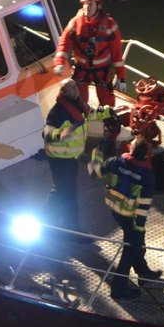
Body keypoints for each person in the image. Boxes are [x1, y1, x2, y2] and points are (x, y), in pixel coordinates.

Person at [89, 136, 162, 300]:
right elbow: (142, 208)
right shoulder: (147, 177)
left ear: (131, 149)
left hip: (115, 210)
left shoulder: (115, 162)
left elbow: (95, 173)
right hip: (130, 216)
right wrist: (139, 228)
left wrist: (96, 153)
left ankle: (143, 272)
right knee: (131, 249)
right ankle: (119, 288)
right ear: (146, 155)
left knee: (136, 243)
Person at [42, 78, 113, 236]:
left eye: (75, 86)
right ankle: (69, 228)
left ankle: (53, 223)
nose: (76, 89)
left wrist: (111, 110)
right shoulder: (58, 111)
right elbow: (47, 132)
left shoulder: (79, 104)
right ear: (63, 92)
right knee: (65, 192)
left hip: (70, 156)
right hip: (60, 159)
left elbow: (92, 115)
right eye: (71, 87)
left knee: (64, 191)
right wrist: (60, 134)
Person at [53, 0, 127, 107]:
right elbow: (64, 43)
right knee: (79, 99)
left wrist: (121, 77)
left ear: (99, 5)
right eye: (84, 4)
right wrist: (59, 63)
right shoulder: (75, 23)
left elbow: (117, 54)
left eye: (90, 4)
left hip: (102, 71)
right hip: (82, 69)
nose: (86, 7)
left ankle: (107, 120)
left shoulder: (110, 25)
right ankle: (83, 118)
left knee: (106, 101)